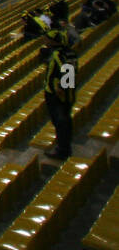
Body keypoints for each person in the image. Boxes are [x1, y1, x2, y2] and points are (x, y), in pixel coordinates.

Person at [42, 28, 78, 159]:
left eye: (46, 39)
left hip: (59, 95)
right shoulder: (70, 52)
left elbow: (67, 73)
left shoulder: (59, 54)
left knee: (61, 122)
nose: (44, 41)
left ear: (52, 41)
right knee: (64, 121)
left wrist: (61, 89)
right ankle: (63, 146)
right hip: (68, 93)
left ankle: (62, 150)